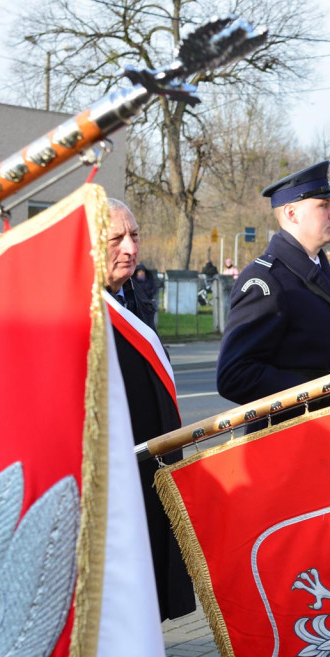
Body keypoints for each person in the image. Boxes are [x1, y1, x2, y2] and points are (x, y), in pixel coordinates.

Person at [105, 199, 195, 621]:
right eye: (115, 239)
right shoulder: (77, 309)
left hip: (152, 468)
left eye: (135, 236)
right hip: (113, 478)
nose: (130, 248)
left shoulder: (133, 296)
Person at [217, 161, 330, 408]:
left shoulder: (320, 268)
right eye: (324, 205)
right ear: (292, 214)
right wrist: (314, 391)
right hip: (290, 434)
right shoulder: (266, 280)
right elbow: (234, 375)